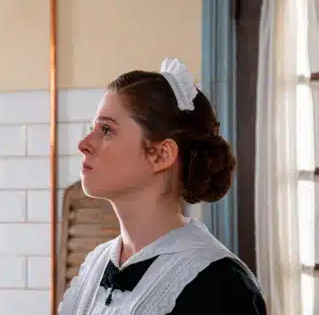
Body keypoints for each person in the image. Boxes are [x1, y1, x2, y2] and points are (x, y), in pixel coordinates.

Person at [58, 58, 266, 315]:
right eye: (94, 128)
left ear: (160, 155)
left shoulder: (222, 286)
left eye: (107, 130)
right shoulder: (96, 266)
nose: (84, 144)